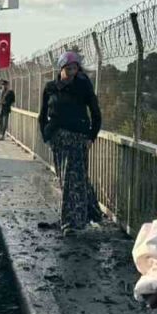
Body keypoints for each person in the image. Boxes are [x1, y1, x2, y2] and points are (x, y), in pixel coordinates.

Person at [39, 52, 102, 233]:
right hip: (58, 139)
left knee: (71, 180)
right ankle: (91, 213)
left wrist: (91, 136)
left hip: (78, 138)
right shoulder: (51, 87)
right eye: (68, 69)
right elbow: (43, 114)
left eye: (75, 68)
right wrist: (47, 136)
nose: (72, 72)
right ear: (61, 69)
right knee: (70, 179)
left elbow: (95, 112)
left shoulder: (83, 86)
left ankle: (71, 222)